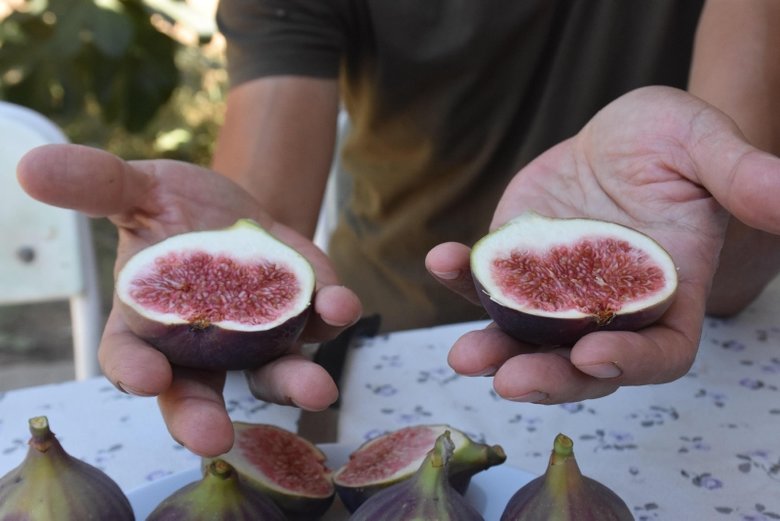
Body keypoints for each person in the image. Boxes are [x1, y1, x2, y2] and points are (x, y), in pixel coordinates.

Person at [15, 0, 780, 457]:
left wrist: (718, 206)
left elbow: (730, 271)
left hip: (683, 361)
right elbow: (260, 212)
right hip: (374, 335)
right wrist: (221, 247)